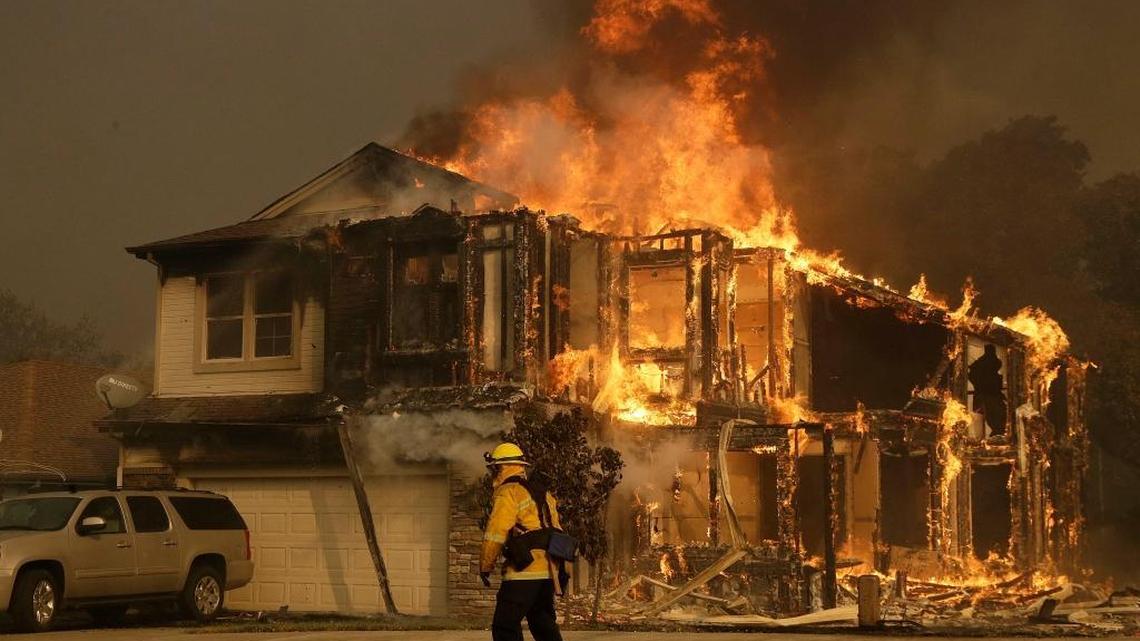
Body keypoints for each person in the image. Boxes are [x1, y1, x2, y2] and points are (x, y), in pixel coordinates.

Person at [480, 443, 565, 641]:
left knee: (505, 626)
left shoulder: (508, 492)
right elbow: (557, 529)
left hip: (523, 573)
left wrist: (485, 566)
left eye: (494, 469)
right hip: (548, 572)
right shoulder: (544, 494)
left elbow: (496, 532)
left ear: (500, 468)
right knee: (542, 622)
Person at [968, 343, 1008, 437]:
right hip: (988, 396)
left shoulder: (983, 363)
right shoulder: (983, 364)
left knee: (997, 420)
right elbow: (972, 375)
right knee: (993, 420)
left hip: (992, 396)